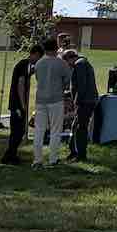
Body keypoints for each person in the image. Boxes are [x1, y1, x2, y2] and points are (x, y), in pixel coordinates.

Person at [0, 45, 42, 167]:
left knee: (19, 131)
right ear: (33, 54)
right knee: (17, 131)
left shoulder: (27, 66)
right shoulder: (24, 65)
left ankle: (11, 155)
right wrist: (23, 105)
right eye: (38, 57)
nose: (38, 60)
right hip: (17, 104)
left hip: (18, 103)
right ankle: (8, 157)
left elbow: (32, 73)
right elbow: (20, 84)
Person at [31, 38, 69, 169]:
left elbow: (37, 78)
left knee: (39, 130)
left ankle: (37, 160)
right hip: (56, 99)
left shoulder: (39, 63)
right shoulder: (61, 63)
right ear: (56, 47)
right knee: (55, 130)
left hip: (40, 100)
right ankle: (53, 159)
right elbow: (67, 80)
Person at [62, 49, 100, 162]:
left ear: (69, 59)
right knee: (75, 126)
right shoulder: (82, 63)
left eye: (66, 62)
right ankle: (73, 152)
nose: (67, 66)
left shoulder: (79, 65)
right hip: (87, 100)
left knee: (80, 128)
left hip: (85, 102)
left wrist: (77, 103)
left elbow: (81, 86)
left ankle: (81, 155)